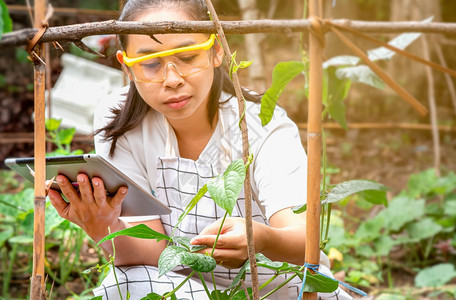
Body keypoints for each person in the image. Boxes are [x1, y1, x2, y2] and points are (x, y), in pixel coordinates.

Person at [48, 0, 354, 299]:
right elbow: (152, 253)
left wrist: (261, 238)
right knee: (122, 284)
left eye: (188, 57)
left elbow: (304, 242)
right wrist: (102, 225)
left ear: (217, 50)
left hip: (279, 287)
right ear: (126, 66)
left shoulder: (263, 123)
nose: (172, 80)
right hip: (189, 288)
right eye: (150, 64)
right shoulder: (118, 121)